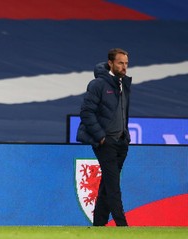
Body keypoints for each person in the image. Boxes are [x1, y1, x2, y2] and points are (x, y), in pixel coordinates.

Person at [77, 48, 131, 226]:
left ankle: (99, 225)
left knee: (108, 185)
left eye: (126, 63)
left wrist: (125, 136)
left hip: (121, 142)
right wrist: (101, 137)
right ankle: (122, 225)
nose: (124, 67)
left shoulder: (123, 83)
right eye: (120, 63)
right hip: (106, 142)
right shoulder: (98, 84)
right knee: (113, 186)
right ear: (110, 63)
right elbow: (86, 113)